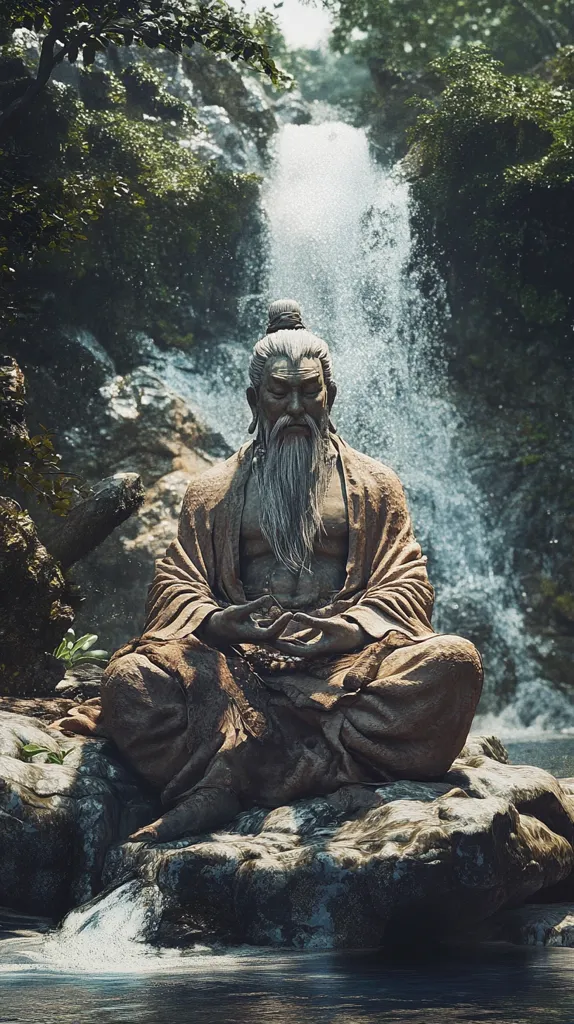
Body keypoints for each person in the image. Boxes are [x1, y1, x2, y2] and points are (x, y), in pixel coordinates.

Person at [56, 299, 483, 841]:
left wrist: (351, 628)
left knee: (454, 663)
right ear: (255, 399)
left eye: (310, 391)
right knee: (130, 682)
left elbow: (407, 580)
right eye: (281, 394)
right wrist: (219, 623)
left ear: (331, 394)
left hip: (344, 666)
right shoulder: (213, 490)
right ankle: (332, 770)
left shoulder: (375, 485)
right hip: (239, 668)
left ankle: (238, 773)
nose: (297, 408)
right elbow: (175, 583)